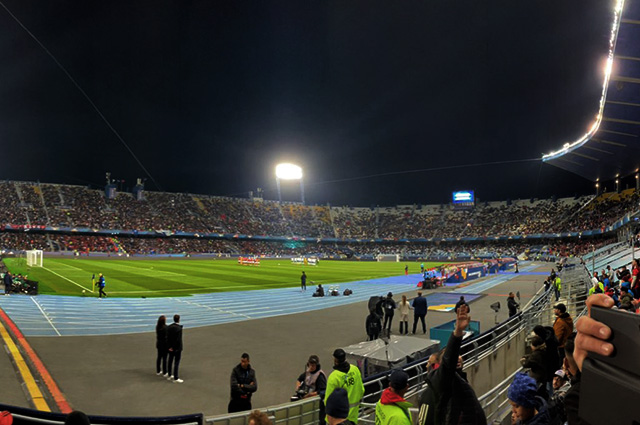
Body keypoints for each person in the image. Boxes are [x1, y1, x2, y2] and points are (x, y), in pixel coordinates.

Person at [417, 304, 486, 425]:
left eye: (458, 356)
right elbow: (448, 364)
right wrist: (457, 333)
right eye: (454, 357)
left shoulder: (461, 382)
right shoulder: (439, 386)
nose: (458, 358)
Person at [325, 348, 364, 424]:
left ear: (335, 360)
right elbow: (361, 390)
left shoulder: (334, 377)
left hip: (336, 419)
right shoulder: (355, 370)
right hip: (353, 415)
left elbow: (328, 400)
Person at [294, 355, 327, 424]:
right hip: (306, 397)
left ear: (316, 365)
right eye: (310, 365)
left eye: (313, 365)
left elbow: (322, 391)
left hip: (316, 402)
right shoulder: (307, 372)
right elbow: (299, 379)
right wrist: (298, 386)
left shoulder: (320, 376)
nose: (311, 367)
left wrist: (309, 395)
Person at [167, 314, 183, 383]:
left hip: (170, 348)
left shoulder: (169, 327)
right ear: (179, 319)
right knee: (176, 362)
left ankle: (170, 374)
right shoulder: (179, 329)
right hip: (177, 348)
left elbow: (167, 338)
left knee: (170, 361)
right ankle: (176, 377)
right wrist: (174, 347)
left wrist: (169, 347)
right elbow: (178, 340)